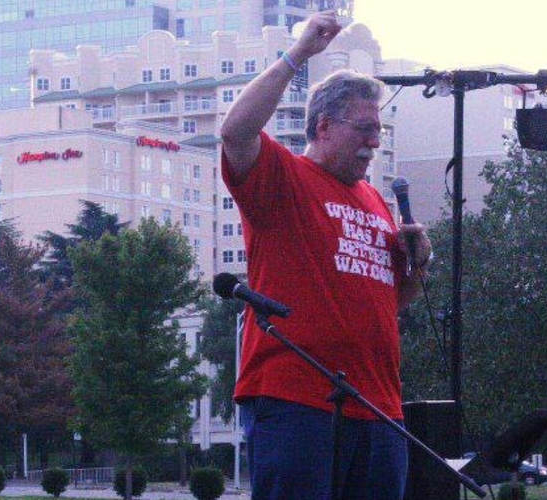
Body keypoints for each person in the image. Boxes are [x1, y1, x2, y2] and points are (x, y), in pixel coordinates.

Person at [219, 10, 432, 500]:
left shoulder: (377, 203)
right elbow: (234, 133)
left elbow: (392, 303)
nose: (375, 142)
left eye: (378, 130)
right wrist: (298, 55)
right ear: (323, 126)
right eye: (363, 129)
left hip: (378, 406)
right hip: (296, 400)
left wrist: (418, 262)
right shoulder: (284, 178)